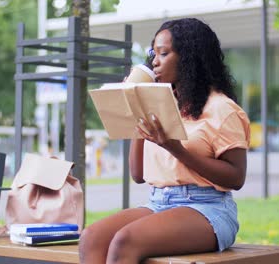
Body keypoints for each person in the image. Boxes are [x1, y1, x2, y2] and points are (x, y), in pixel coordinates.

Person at [79, 18, 250, 264]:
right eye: (153, 54)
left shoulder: (222, 109)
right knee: (91, 238)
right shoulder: (163, 105)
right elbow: (138, 174)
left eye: (163, 53)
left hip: (208, 209)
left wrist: (174, 148)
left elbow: (236, 178)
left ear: (189, 57)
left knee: (124, 241)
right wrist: (138, 109)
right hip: (159, 202)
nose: (154, 62)